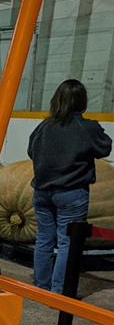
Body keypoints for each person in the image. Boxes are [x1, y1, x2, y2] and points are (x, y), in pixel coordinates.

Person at [28, 79, 112, 293]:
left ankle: (41, 288)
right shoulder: (86, 126)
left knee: (44, 240)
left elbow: (31, 150)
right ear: (82, 102)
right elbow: (105, 147)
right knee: (67, 242)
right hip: (72, 193)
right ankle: (59, 292)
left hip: (41, 191)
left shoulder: (43, 127)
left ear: (56, 99)